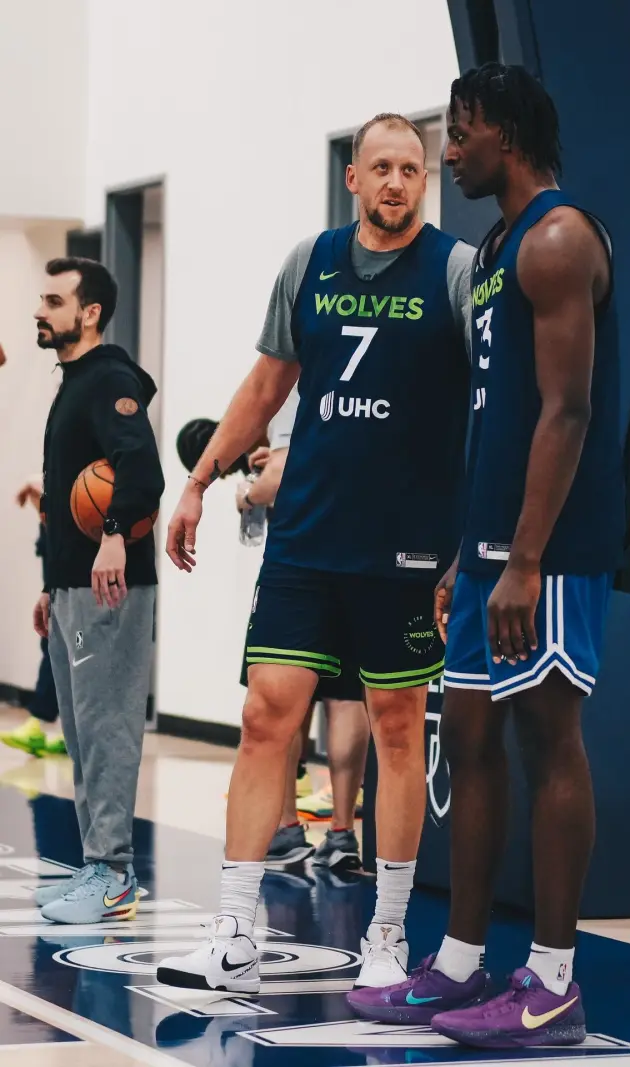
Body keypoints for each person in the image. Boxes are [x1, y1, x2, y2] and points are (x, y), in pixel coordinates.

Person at [157, 111, 474, 994]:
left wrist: (466, 545)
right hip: (309, 536)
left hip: (406, 545)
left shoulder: (453, 270)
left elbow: (487, 406)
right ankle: (232, 931)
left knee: (397, 731)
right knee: (267, 716)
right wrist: (200, 479)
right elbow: (266, 385)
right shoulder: (309, 263)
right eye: (382, 167)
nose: (398, 183)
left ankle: (386, 931)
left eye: (412, 168)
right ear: (353, 176)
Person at [348, 64, 625, 1048]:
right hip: (488, 549)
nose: (445, 151)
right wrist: (467, 554)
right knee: (464, 740)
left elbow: (567, 409)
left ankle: (550, 982)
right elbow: (493, 415)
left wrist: (522, 558)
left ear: (501, 134)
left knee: (547, 739)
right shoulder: (498, 245)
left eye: (457, 133)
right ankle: (459, 961)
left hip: (545, 550)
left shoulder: (555, 238)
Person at [31, 257, 165, 924]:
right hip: (73, 590)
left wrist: (114, 533)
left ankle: (113, 873)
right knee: (83, 734)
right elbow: (63, 497)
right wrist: (52, 584)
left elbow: (142, 468)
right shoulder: (75, 382)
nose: (41, 310)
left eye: (53, 300)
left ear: (89, 312)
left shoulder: (110, 377)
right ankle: (96, 865)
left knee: (108, 728)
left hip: (111, 589)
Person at [238, 390, 371, 871]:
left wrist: (246, 493)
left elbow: (280, 475)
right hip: (362, 552)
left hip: (303, 559)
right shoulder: (373, 375)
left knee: (280, 697)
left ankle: (288, 829)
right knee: (348, 697)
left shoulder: (299, 382)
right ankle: (341, 833)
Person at [0, 477, 66, 757]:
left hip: (74, 575)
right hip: (59, 572)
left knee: (63, 647)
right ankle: (52, 728)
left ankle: (43, 726)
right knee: (56, 645)